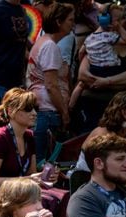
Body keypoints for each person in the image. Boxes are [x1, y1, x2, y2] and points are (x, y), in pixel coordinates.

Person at [27, 2, 75, 165]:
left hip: (42, 110)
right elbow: (51, 85)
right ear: (58, 22)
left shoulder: (42, 41)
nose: (73, 24)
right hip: (47, 111)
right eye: (70, 20)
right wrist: (64, 112)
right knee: (44, 164)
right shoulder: (50, 46)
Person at [0, 88, 54, 188]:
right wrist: (25, 180)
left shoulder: (29, 136)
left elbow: (31, 174)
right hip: (0, 195)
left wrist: (46, 176)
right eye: (28, 108)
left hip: (22, 191)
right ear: (10, 111)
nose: (34, 113)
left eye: (35, 108)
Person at [75, 91, 126, 172]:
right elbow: (103, 170)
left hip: (118, 179)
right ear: (124, 112)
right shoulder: (102, 135)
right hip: (87, 179)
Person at [84, 4, 126, 79]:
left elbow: (81, 52)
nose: (120, 22)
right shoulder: (109, 36)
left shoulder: (89, 38)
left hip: (94, 70)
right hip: (111, 71)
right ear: (107, 19)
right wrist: (119, 27)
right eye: (118, 20)